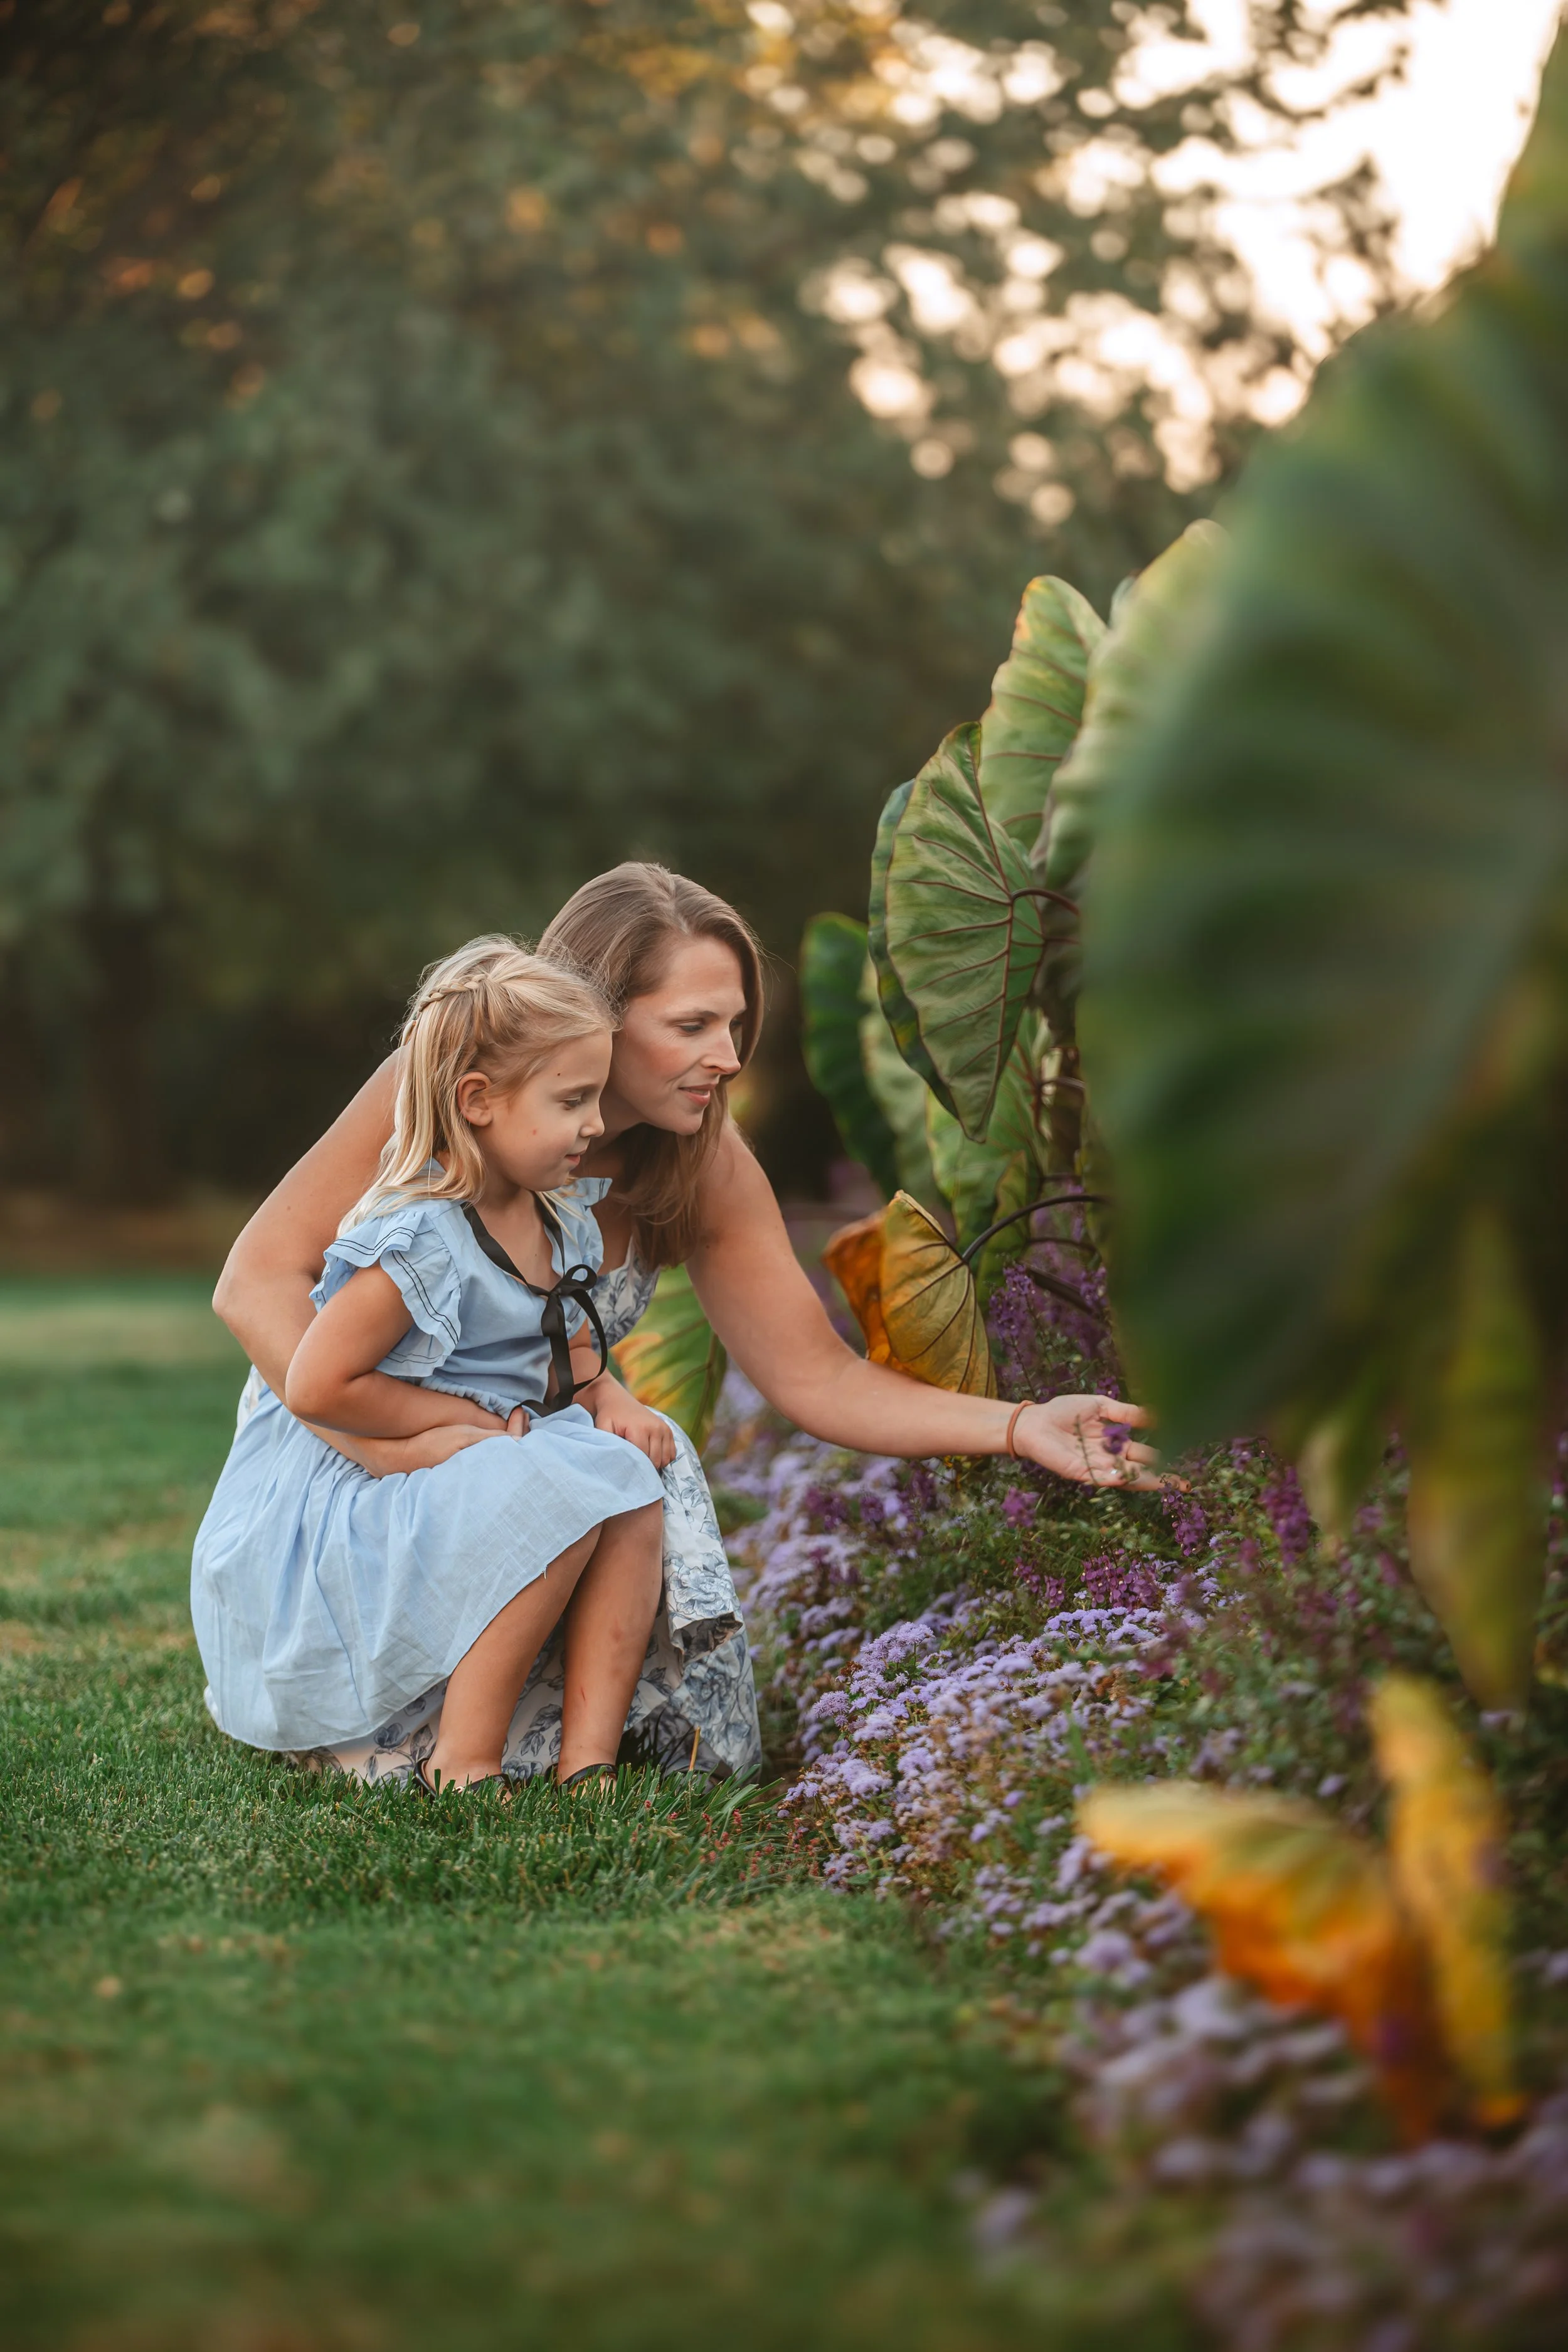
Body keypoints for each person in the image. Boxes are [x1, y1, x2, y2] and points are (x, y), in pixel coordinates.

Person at [213, 862, 1160, 1788]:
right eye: (694, 1025)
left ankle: (576, 1752)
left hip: (517, 1454)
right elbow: (252, 1282)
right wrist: (410, 1444)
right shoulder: (452, 1083)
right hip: (351, 1449)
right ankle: (431, 1730)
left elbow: (816, 1377)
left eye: (738, 1024)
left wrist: (1017, 1424)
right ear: (599, 1020)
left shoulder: (701, 1160)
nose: (731, 1057)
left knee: (643, 1512)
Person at [193, 940, 669, 1792]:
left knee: (630, 1491)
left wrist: (609, 1397)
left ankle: (588, 1762)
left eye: (596, 1097)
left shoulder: (559, 1222)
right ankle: (467, 1756)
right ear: (479, 1100)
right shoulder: (424, 1237)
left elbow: (575, 1350)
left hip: (477, 1448)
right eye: (571, 1100)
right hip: (359, 1471)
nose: (595, 1123)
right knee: (556, 1498)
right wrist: (450, 1426)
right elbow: (315, 1382)